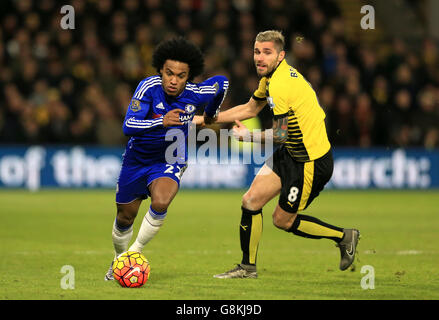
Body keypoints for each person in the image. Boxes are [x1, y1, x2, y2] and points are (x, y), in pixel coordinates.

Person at [196, 30, 359, 279]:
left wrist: (248, 137)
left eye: (267, 52)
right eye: (256, 51)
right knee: (250, 201)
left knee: (282, 220)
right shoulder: (271, 78)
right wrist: (204, 119)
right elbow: (250, 108)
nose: (259, 58)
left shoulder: (282, 84)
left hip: (310, 162)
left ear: (281, 55)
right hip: (291, 152)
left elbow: (280, 135)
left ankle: (343, 236)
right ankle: (247, 268)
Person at [105, 37, 229, 280]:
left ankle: (133, 254)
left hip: (170, 158)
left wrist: (211, 112)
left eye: (181, 75)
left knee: (161, 202)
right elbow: (128, 125)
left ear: (189, 76)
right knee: (125, 216)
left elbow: (221, 84)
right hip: (137, 159)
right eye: (169, 73)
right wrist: (160, 121)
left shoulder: (196, 93)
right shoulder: (148, 87)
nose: (174, 80)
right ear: (160, 70)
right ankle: (118, 260)